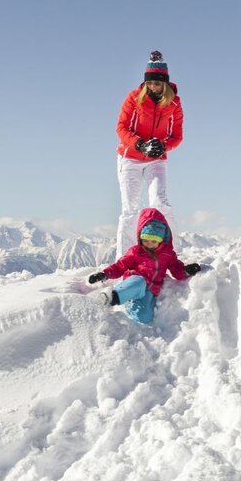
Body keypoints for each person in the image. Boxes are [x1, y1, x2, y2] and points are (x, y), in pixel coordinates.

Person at [115, 50, 183, 256]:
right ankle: (125, 258)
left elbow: (177, 136)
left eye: (157, 84)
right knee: (130, 209)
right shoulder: (134, 98)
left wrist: (163, 146)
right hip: (130, 158)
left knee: (160, 203)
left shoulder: (174, 103)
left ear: (165, 84)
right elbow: (121, 128)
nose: (153, 87)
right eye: (150, 83)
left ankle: (173, 254)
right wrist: (140, 145)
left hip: (156, 160)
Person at [88, 208, 201, 324]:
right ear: (141, 237)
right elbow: (119, 266)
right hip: (135, 283)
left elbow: (176, 269)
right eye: (146, 240)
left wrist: (186, 270)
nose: (149, 244)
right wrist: (104, 274)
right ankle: (110, 297)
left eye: (154, 241)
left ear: (161, 240)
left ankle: (128, 308)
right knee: (139, 282)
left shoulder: (168, 254)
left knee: (145, 318)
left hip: (150, 290)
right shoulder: (136, 251)